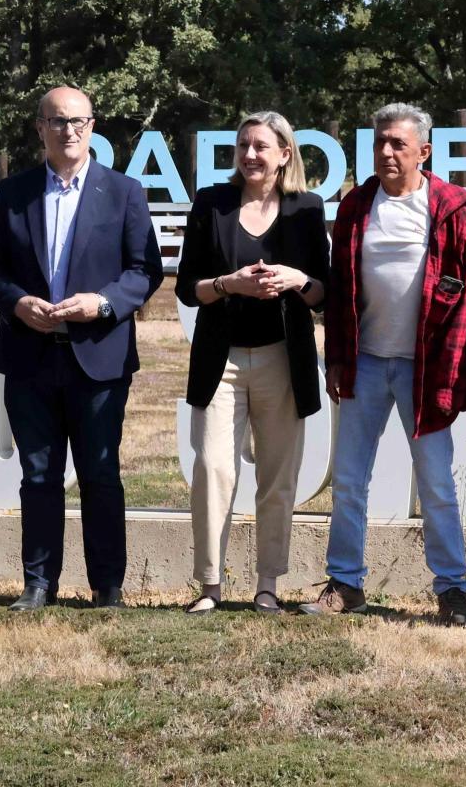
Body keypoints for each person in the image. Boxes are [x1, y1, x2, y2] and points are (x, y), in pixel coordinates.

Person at [0, 86, 162, 611]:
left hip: (98, 354)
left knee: (101, 474)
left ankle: (108, 587)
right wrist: (18, 305)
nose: (69, 131)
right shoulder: (13, 193)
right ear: (40, 128)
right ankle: (39, 583)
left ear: (93, 126)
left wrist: (102, 304)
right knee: (38, 476)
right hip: (29, 353)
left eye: (78, 121)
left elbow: (144, 272)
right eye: (57, 121)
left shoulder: (124, 191)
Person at [300, 103, 466, 625]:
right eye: (379, 143)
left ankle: (452, 590)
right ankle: (345, 583)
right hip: (366, 365)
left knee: (436, 483)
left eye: (398, 144)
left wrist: (453, 372)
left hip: (425, 370)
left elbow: (465, 295)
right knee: (350, 480)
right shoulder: (356, 206)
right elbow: (338, 294)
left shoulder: (450, 208)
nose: (385, 152)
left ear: (424, 151)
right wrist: (336, 360)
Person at [174, 111, 329, 615]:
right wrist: (229, 284)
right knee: (214, 468)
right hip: (222, 362)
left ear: (285, 154)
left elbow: (324, 295)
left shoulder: (306, 209)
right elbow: (186, 288)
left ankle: (268, 586)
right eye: (243, 146)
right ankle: (209, 586)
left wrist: (295, 279)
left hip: (284, 359)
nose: (249, 155)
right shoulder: (211, 203)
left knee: (277, 478)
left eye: (261, 146)